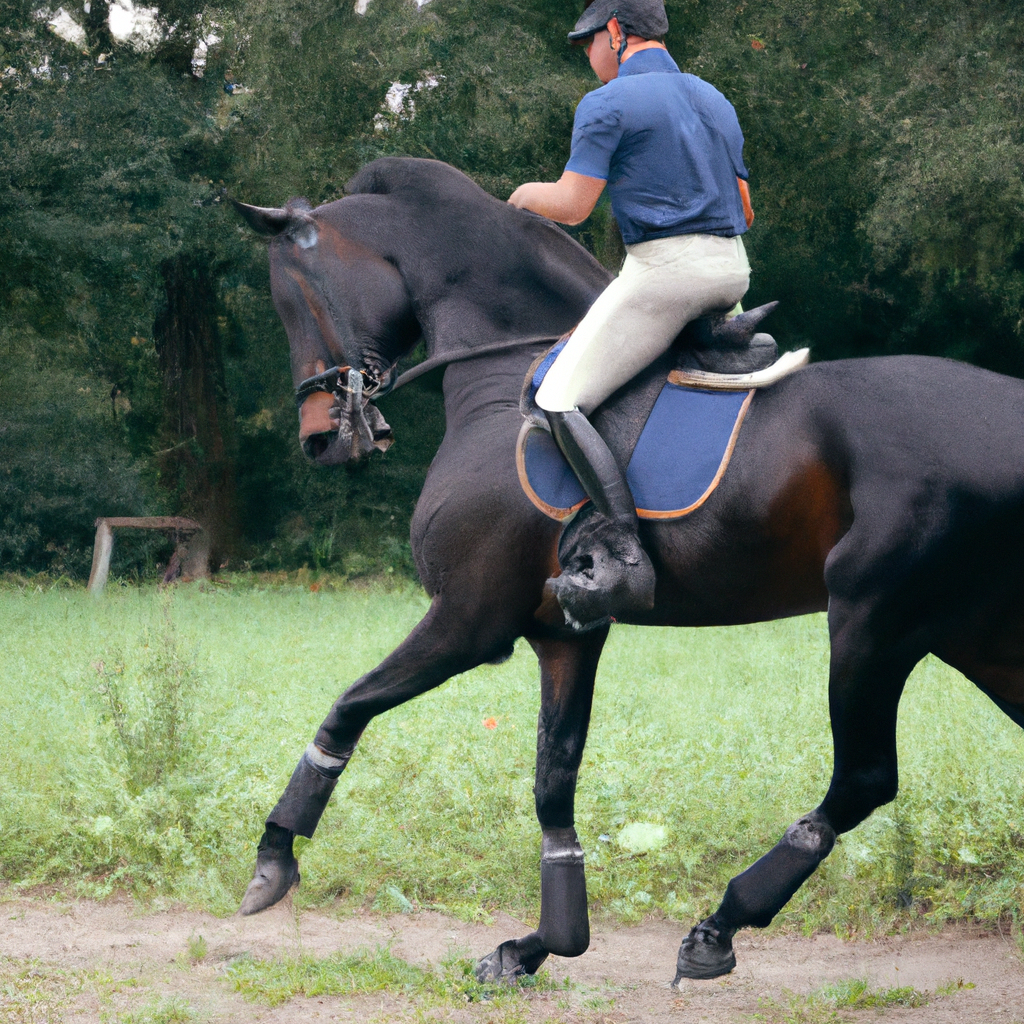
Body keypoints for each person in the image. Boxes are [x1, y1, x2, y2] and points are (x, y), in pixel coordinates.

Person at [508, 0, 755, 629]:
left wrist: (518, 197)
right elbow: (745, 209)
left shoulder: (608, 103)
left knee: (557, 394)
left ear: (616, 33)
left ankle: (623, 556)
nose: (588, 56)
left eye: (588, 41)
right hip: (732, 269)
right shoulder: (714, 98)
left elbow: (571, 205)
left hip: (666, 273)